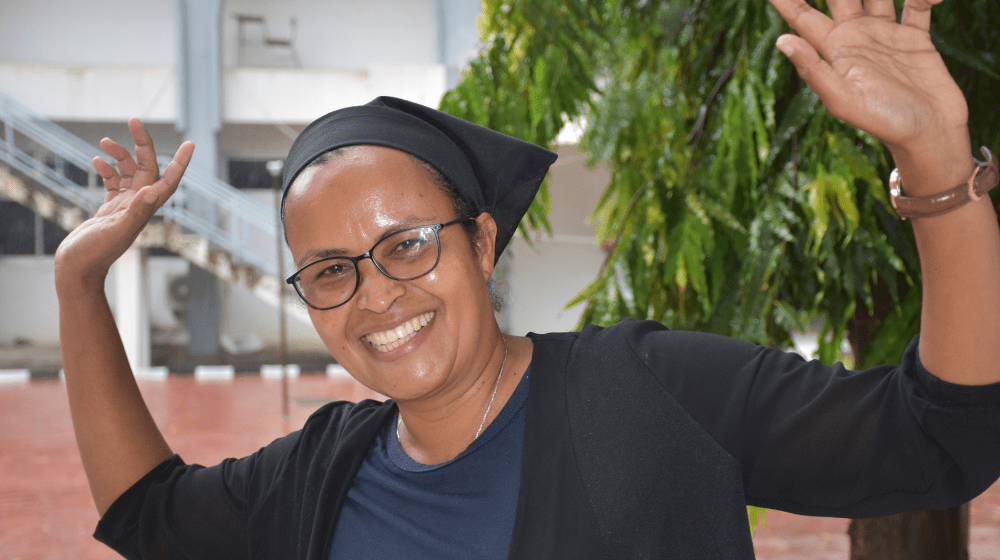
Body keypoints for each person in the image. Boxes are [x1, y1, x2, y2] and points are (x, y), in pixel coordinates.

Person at [55, 0, 999, 558]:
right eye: (332, 270)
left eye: (409, 244)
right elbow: (150, 513)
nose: (377, 294)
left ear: (483, 241)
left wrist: (935, 165)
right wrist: (79, 286)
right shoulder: (321, 471)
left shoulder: (656, 392)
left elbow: (939, 439)